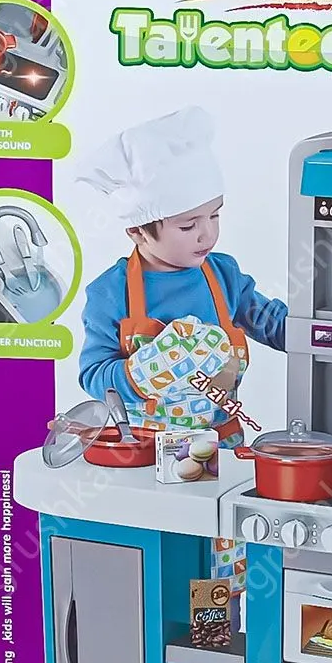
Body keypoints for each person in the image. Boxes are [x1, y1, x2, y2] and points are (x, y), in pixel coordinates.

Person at [76, 106, 286, 447]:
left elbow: (274, 324)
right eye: (188, 226)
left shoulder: (224, 275)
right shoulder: (111, 292)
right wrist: (142, 373)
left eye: (214, 216)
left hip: (222, 449)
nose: (207, 234)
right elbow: (93, 375)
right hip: (144, 453)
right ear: (137, 231)